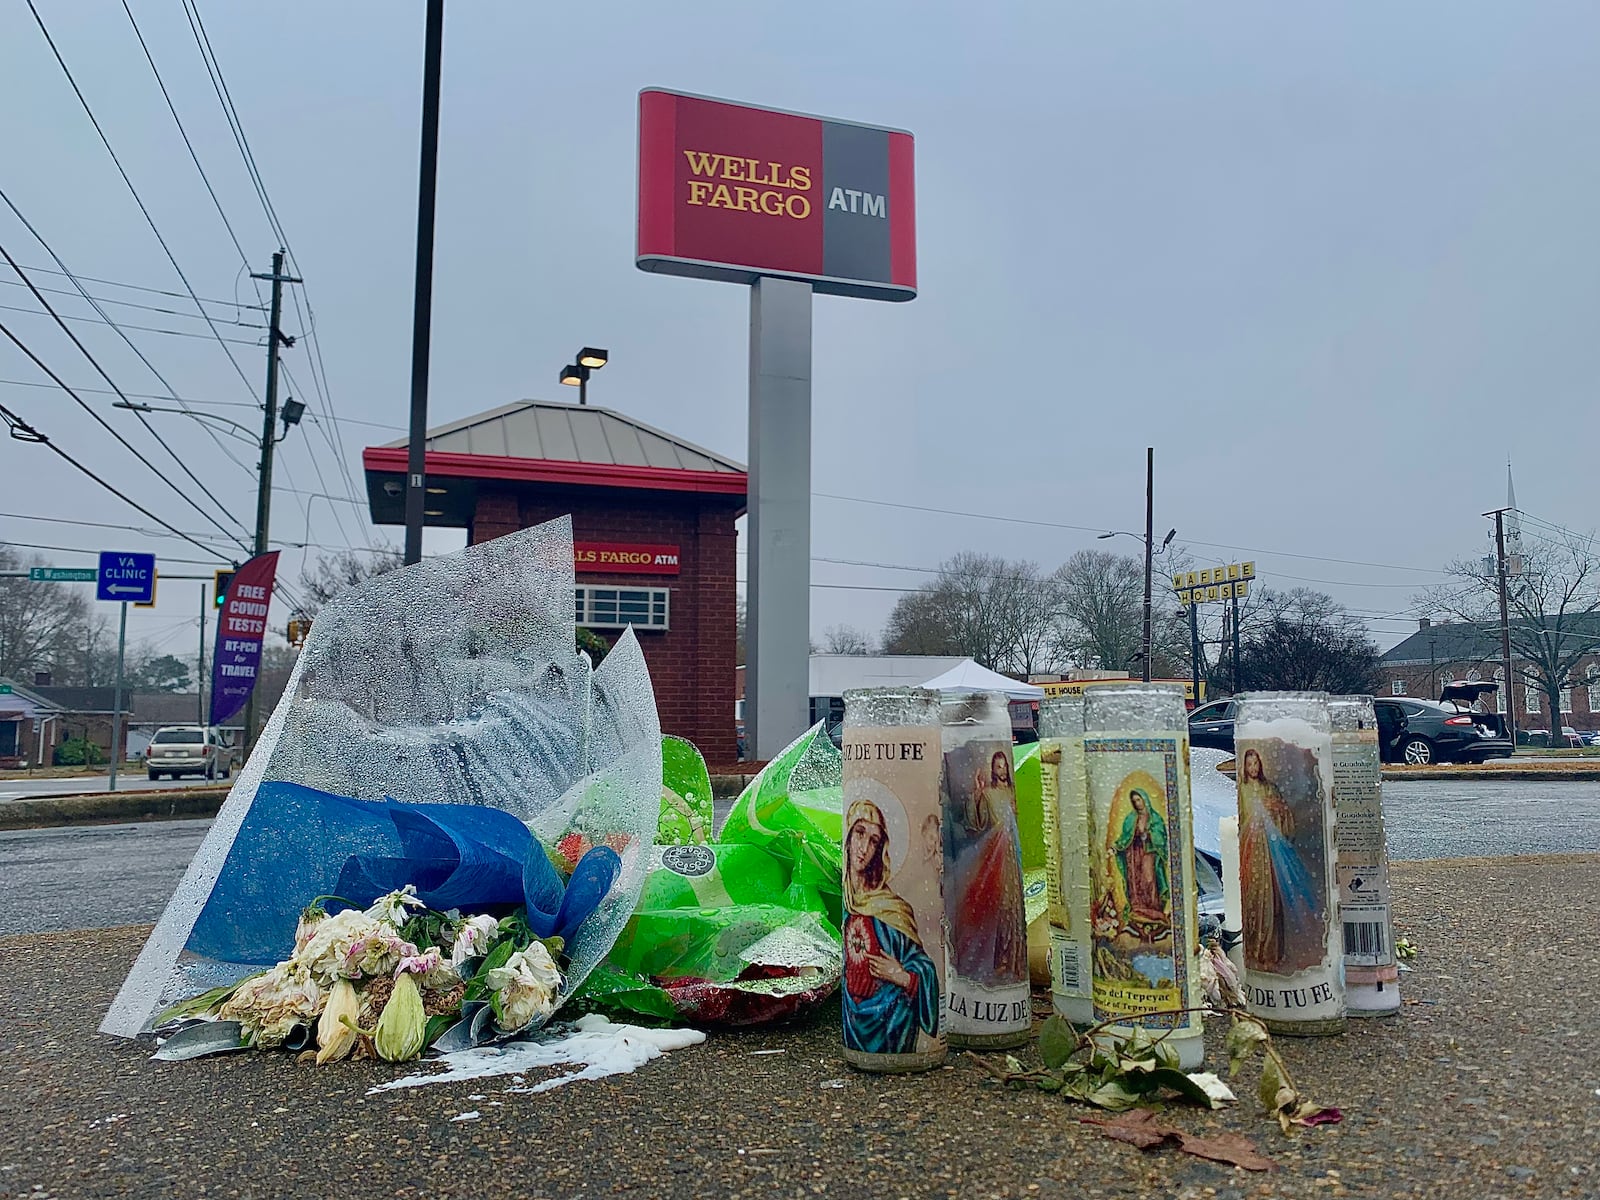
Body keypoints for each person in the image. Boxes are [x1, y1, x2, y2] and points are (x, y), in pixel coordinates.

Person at [842, 799, 939, 1055]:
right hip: (853, 1020)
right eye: (860, 833)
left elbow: (924, 967)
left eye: (874, 841)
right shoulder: (849, 900)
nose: (864, 847)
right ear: (848, 836)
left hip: (891, 1022)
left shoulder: (892, 909)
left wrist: (901, 976)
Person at [944, 748, 1028, 986]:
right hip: (997, 854)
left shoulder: (1011, 792)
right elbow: (976, 824)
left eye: (1004, 766)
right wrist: (978, 795)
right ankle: (1001, 957)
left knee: (1014, 905)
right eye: (998, 766)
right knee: (1000, 903)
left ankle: (1014, 959)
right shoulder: (989, 794)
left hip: (1013, 854)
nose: (1001, 770)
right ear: (993, 769)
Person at [1238, 746, 1322, 973]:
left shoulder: (1269, 788)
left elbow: (1285, 815)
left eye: (1256, 763)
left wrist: (1275, 810)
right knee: (1255, 896)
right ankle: (1255, 949)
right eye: (1249, 763)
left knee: (1272, 896)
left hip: (1271, 849)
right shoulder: (1241, 789)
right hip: (1252, 850)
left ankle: (1272, 951)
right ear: (1244, 767)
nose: (1253, 768)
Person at [1113, 787, 1170, 939]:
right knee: (1135, 880)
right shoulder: (1131, 818)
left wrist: (1150, 834)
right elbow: (1125, 837)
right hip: (1134, 853)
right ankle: (1138, 908)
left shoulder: (1155, 818)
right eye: (1134, 801)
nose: (1137, 803)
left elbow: (1161, 836)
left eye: (1139, 799)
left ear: (1144, 799)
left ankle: (1154, 909)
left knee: (1149, 879)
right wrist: (1117, 846)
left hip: (1149, 852)